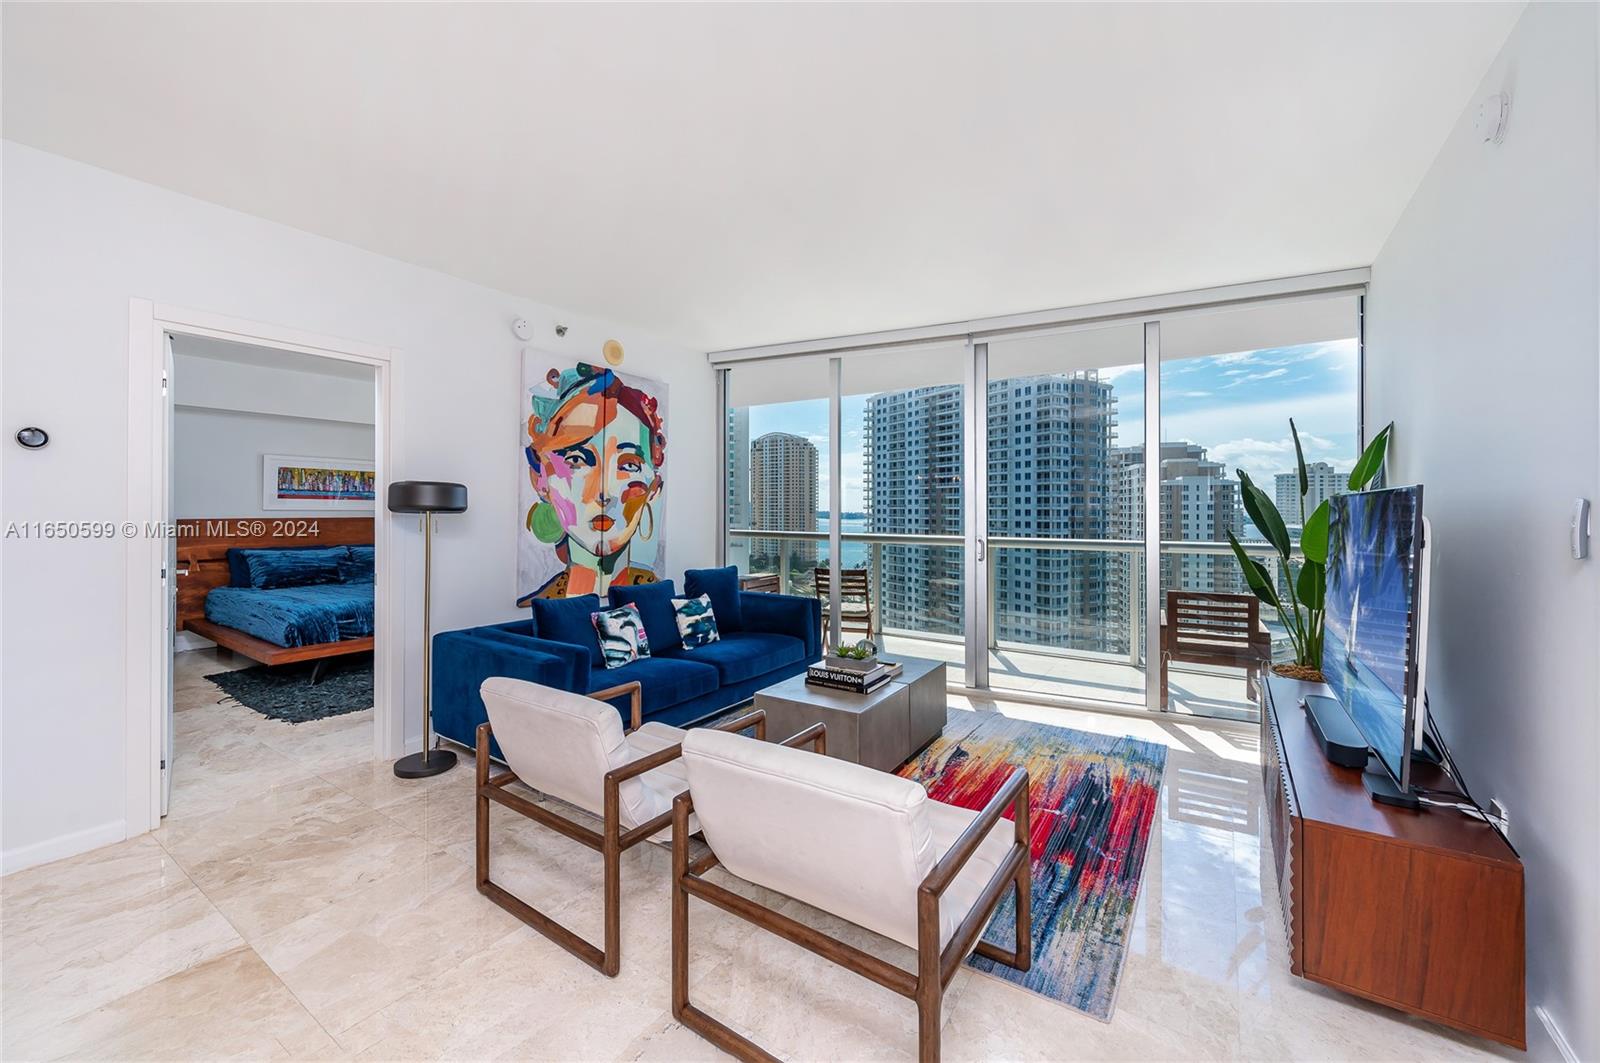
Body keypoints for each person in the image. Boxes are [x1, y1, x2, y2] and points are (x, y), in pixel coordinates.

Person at [520, 363, 665, 602]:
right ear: (541, 480)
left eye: (628, 465)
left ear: (653, 488)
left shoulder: (663, 601)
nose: (604, 493)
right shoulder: (539, 606)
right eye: (577, 460)